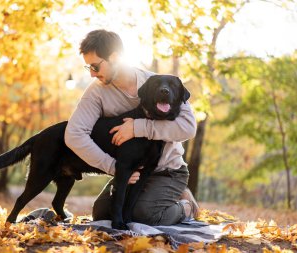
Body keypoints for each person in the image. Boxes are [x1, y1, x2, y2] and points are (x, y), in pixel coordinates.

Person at [65, 29, 199, 226]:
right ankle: (156, 197)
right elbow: (74, 134)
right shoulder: (96, 92)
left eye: (95, 66)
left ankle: (186, 206)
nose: (92, 73)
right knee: (102, 213)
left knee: (143, 214)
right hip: (130, 170)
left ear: (115, 57)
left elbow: (188, 128)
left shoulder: (160, 83)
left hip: (167, 170)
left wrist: (139, 127)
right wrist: (111, 166)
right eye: (88, 68)